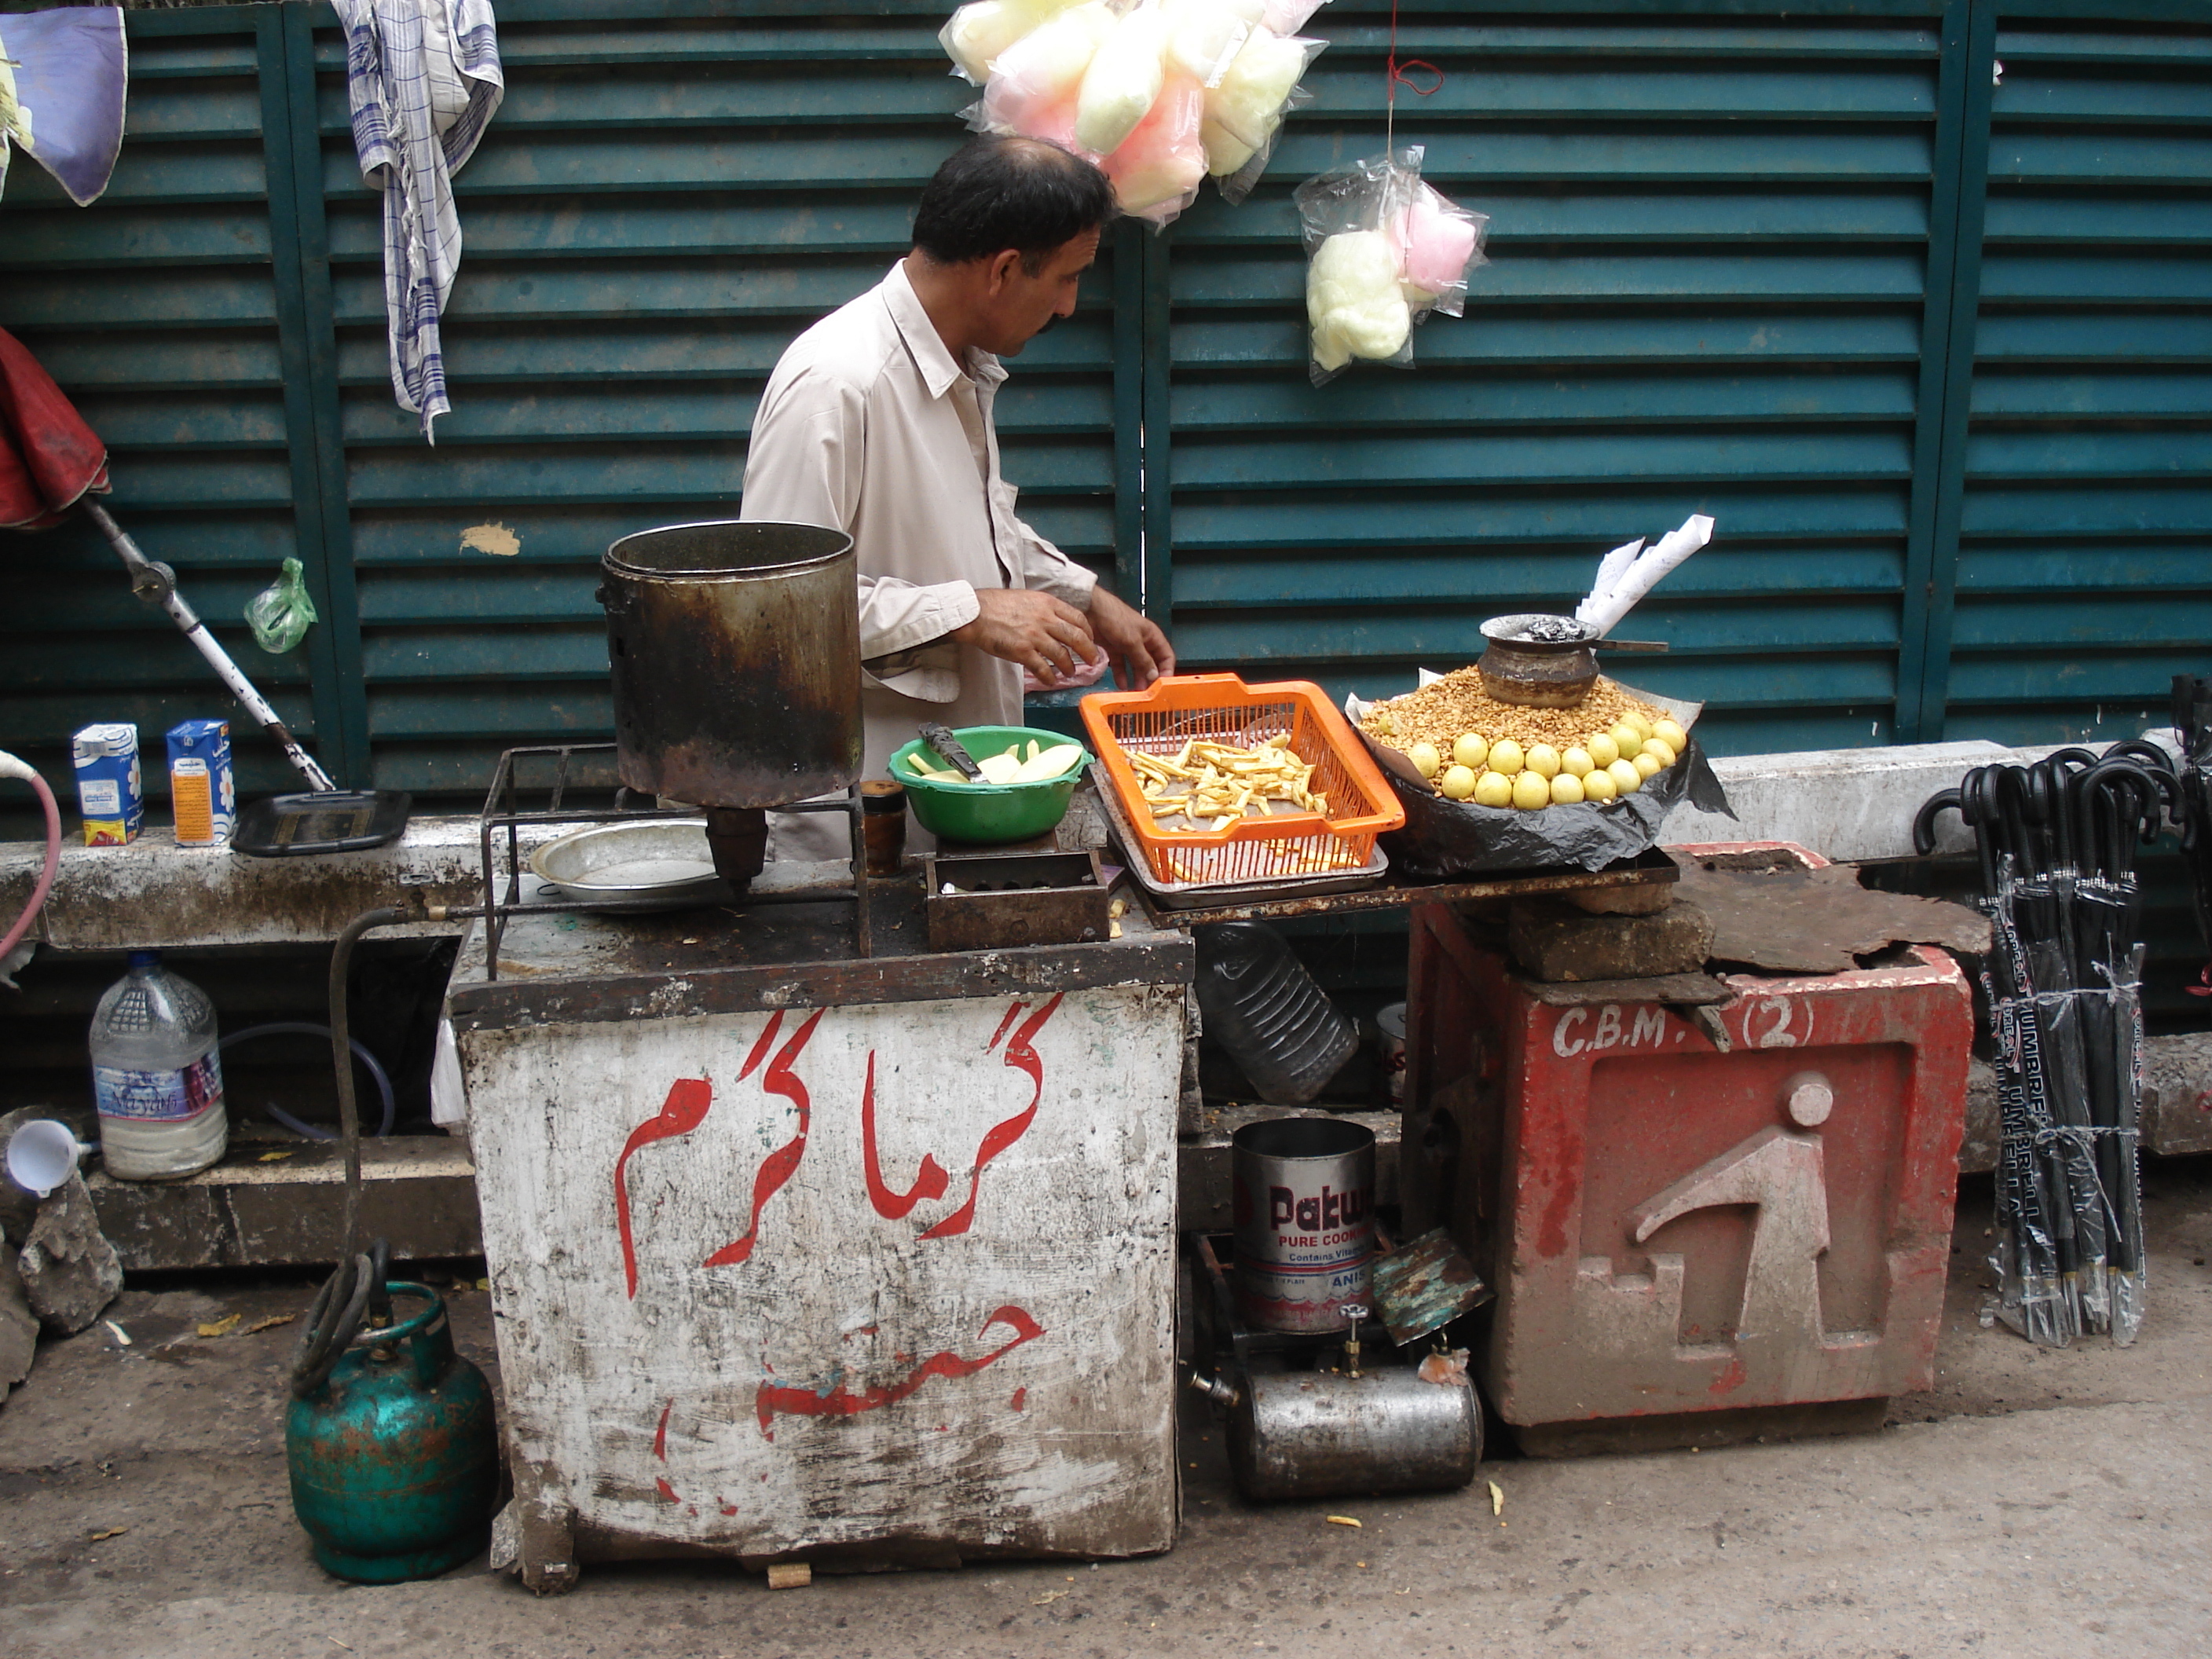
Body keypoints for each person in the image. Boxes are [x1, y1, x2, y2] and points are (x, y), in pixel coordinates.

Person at [740, 135, 1174, 856]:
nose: (1070, 306)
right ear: (1005, 270)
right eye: (1068, 278)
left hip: (958, 820)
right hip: (858, 842)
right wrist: (968, 612)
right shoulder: (838, 384)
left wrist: (1082, 597)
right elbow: (769, 616)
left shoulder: (960, 363)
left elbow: (976, 525)